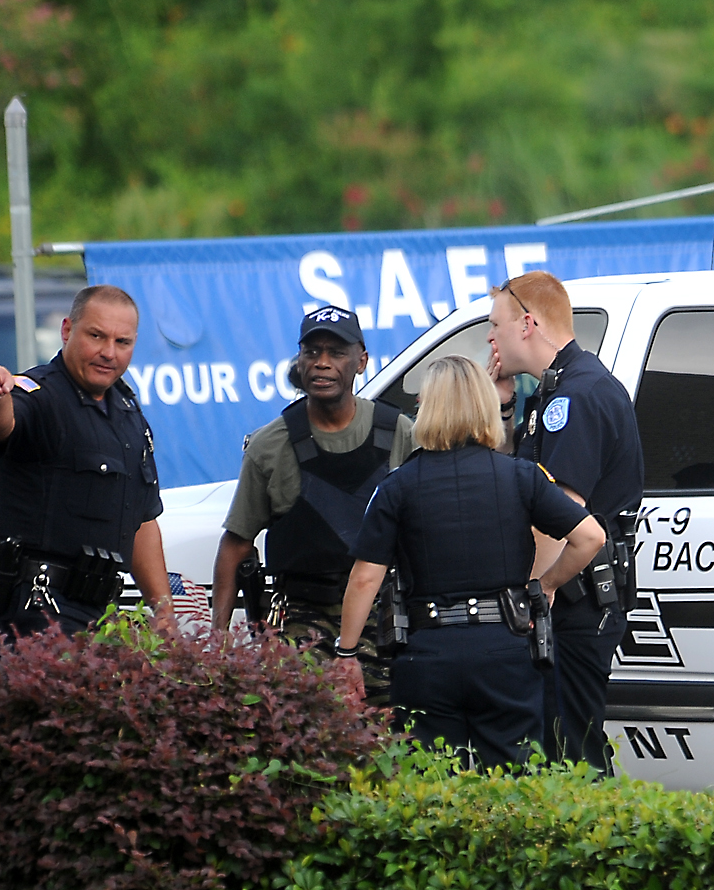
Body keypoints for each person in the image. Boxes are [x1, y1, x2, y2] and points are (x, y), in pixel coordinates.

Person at [336, 355, 605, 768]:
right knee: (511, 784)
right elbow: (590, 537)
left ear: (428, 409)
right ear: (483, 405)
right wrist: (547, 586)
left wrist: (347, 653)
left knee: (431, 786)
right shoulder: (521, 476)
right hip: (505, 652)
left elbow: (364, 579)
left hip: (425, 655)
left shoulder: (398, 486)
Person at [210, 305, 415, 698]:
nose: (322, 363)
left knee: (395, 743)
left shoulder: (400, 433)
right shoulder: (270, 444)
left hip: (387, 625)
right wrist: (218, 645)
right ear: (299, 360)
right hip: (302, 627)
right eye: (312, 352)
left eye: (336, 352)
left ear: (362, 361)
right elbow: (236, 544)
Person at [485, 271, 642, 770]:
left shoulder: (575, 397)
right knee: (561, 746)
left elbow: (559, 517)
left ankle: (601, 849)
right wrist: (504, 407)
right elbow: (517, 479)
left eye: (495, 325)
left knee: (572, 754)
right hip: (576, 604)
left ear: (526, 324)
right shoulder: (554, 393)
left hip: (574, 604)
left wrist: (533, 595)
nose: (490, 337)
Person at [0, 284, 170, 636]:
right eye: (96, 336)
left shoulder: (127, 413)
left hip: (98, 611)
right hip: (35, 612)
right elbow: (3, 423)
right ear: (67, 330)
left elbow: (141, 519)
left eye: (122, 342)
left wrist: (163, 613)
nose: (108, 352)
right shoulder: (41, 394)